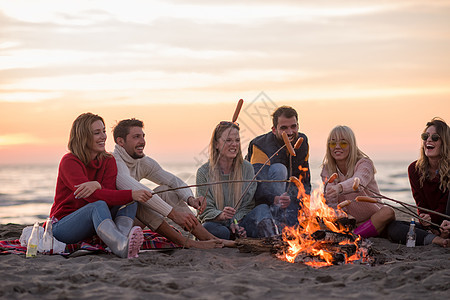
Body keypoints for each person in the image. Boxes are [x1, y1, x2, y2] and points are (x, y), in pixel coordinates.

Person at [112, 119, 226, 249]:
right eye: (136, 137)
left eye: (143, 136)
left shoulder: (142, 161)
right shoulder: (114, 162)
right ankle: (188, 243)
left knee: (166, 190)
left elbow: (172, 181)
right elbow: (139, 191)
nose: (142, 141)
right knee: (139, 202)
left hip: (133, 220)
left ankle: (209, 238)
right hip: (115, 224)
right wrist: (173, 215)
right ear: (120, 141)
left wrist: (190, 199)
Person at [50, 113, 151, 258]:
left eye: (103, 131)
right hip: (63, 226)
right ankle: (121, 245)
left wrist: (98, 185)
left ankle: (120, 241)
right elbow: (92, 197)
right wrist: (130, 193)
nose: (103, 136)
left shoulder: (108, 160)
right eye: (97, 133)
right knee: (98, 205)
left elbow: (108, 194)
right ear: (83, 136)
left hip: (94, 224)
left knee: (129, 202)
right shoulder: (69, 161)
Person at [321, 125, 395, 238]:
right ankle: (354, 234)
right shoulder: (327, 169)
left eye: (343, 143)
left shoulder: (364, 163)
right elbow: (331, 203)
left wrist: (339, 188)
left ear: (351, 145)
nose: (337, 147)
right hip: (351, 221)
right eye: (332, 143)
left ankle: (352, 237)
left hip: (374, 217)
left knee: (388, 211)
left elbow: (358, 183)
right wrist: (343, 217)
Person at [246, 106, 311, 230]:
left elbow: (304, 178)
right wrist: (274, 199)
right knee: (279, 169)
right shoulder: (259, 145)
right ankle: (277, 223)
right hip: (265, 200)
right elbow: (257, 183)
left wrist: (305, 206)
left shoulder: (302, 142)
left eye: (293, 126)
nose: (290, 132)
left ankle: (290, 227)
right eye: (284, 128)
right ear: (274, 130)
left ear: (298, 126)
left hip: (288, 198)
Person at [387, 117, 449, 247]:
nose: (428, 140)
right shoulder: (414, 169)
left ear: (445, 142)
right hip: (432, 226)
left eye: (435, 137)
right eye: (425, 136)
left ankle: (439, 237)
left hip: (447, 221)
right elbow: (420, 204)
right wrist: (424, 218)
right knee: (394, 227)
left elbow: (445, 206)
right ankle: (435, 239)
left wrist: (434, 220)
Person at [197, 121, 263, 239]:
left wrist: (235, 222)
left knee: (263, 210)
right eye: (228, 140)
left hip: (240, 222)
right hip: (216, 224)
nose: (234, 144)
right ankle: (230, 236)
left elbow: (248, 205)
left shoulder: (247, 168)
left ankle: (238, 234)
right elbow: (205, 210)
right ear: (216, 144)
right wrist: (222, 216)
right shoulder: (204, 172)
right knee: (211, 229)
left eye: (237, 140)